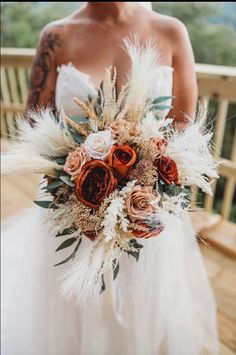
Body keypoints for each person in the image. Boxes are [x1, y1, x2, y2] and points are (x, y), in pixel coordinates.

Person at [2, 3, 218, 355]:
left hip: (146, 215)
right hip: (72, 217)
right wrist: (80, 175)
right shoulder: (56, 36)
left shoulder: (171, 32)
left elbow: (185, 130)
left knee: (141, 311)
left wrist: (146, 176)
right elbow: (32, 126)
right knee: (72, 313)